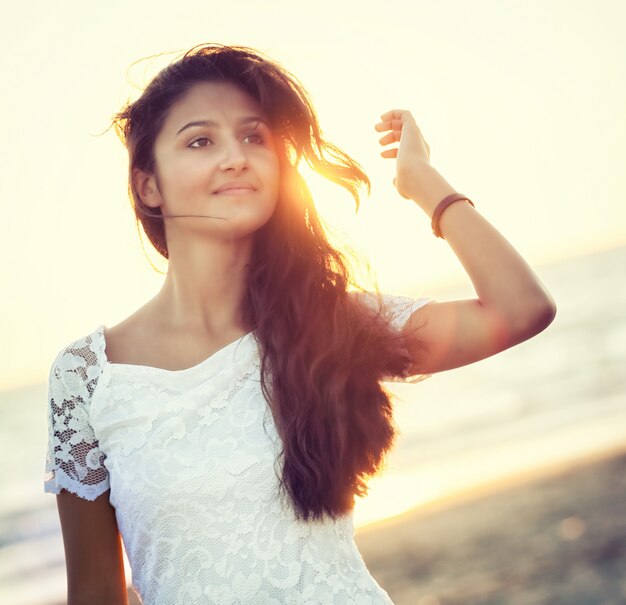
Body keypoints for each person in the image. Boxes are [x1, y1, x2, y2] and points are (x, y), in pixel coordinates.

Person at [43, 43, 556, 605]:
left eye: (254, 136)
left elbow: (519, 309)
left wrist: (422, 181)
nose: (235, 157)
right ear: (148, 185)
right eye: (200, 140)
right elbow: (94, 593)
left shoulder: (330, 322)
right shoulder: (88, 377)